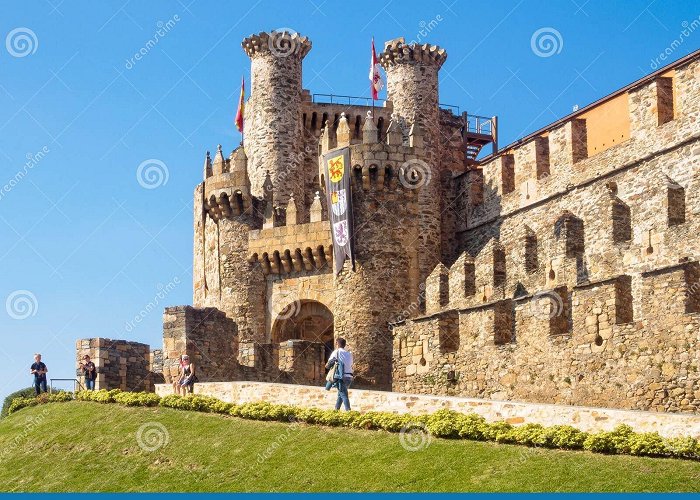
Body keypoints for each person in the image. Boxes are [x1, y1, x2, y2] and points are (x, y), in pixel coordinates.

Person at [325, 338, 354, 411]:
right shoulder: (349, 353)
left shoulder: (336, 352)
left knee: (343, 395)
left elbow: (329, 363)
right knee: (340, 394)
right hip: (349, 376)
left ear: (337, 344)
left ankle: (348, 411)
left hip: (341, 377)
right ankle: (336, 410)